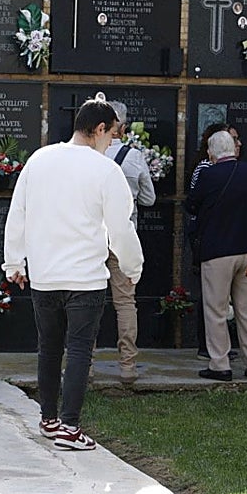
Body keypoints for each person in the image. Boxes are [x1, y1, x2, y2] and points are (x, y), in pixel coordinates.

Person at [3, 100, 144, 451]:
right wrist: (132, 266)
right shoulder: (105, 171)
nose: (112, 142)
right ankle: (69, 426)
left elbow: (18, 212)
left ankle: (49, 420)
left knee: (48, 349)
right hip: (85, 278)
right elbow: (120, 229)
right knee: (80, 351)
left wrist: (14, 263)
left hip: (45, 275)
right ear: (98, 129)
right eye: (112, 134)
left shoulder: (39, 160)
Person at [188, 129, 247, 381]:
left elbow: (192, 205)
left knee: (215, 309)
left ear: (212, 152)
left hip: (217, 252)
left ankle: (220, 364)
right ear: (233, 149)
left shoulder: (208, 175)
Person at [104, 100, 156, 382]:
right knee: (125, 302)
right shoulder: (133, 158)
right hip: (123, 238)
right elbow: (149, 199)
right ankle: (128, 366)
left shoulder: (89, 155)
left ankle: (84, 365)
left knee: (86, 302)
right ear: (122, 128)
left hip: (93, 239)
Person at [187, 122, 241, 359]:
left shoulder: (238, 170)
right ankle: (207, 346)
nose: (237, 144)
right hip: (210, 237)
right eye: (233, 139)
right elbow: (194, 202)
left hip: (227, 237)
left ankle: (222, 347)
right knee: (211, 296)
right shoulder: (205, 169)